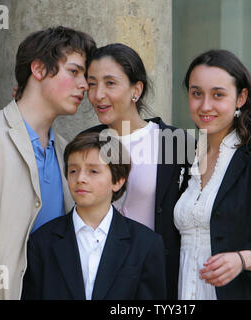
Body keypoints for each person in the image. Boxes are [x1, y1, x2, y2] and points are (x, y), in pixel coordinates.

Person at [0, 26, 96, 299]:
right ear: (38, 70)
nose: (84, 85)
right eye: (74, 72)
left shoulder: (66, 151)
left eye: (85, 76)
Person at [174, 49, 251, 300]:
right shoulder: (185, 157)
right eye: (196, 93)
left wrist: (241, 260)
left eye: (218, 94)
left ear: (240, 98)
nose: (205, 105)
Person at [81, 43, 194, 299]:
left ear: (136, 89)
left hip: (154, 280)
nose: (98, 95)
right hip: (95, 277)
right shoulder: (85, 142)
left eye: (110, 83)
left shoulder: (175, 143)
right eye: (92, 83)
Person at [21, 131, 167, 300]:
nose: (80, 178)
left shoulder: (145, 244)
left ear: (117, 181)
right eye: (73, 170)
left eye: (93, 171)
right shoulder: (42, 241)